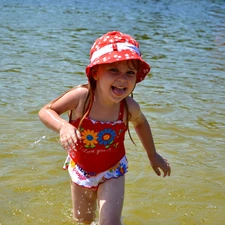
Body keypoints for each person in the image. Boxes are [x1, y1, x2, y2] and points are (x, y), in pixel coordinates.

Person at [38, 31, 171, 225]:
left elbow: (141, 123)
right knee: (82, 221)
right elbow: (46, 111)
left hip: (113, 169)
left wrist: (152, 155)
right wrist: (63, 126)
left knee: (110, 223)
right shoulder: (81, 98)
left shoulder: (128, 107)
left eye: (130, 73)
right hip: (81, 169)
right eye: (114, 70)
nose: (122, 79)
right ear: (95, 72)